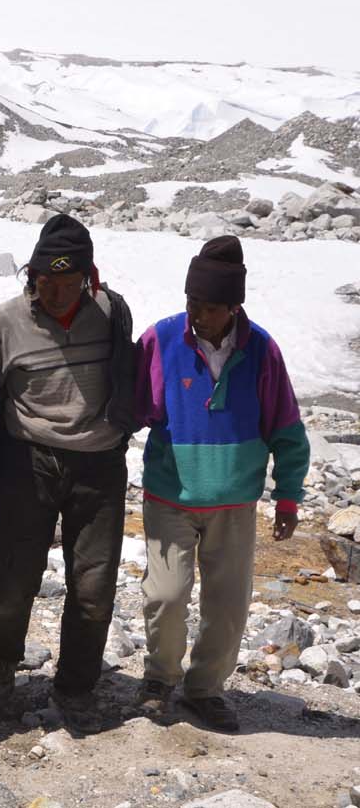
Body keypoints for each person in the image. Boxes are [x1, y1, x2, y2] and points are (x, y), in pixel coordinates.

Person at [133, 235, 310, 732]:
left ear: (234, 307)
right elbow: (131, 408)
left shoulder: (262, 351)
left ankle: (206, 689)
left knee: (228, 604)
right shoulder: (161, 339)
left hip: (234, 501)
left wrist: (288, 496)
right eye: (192, 303)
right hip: (170, 494)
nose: (199, 315)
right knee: (166, 595)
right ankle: (159, 679)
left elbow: (287, 429)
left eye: (210, 308)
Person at [0, 213, 137, 734]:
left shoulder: (111, 312)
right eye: (46, 282)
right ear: (32, 276)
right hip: (29, 462)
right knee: (12, 578)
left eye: (70, 284)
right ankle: (1, 668)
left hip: (100, 463)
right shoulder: (6, 322)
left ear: (89, 279)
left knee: (93, 585)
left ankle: (76, 687)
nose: (57, 294)